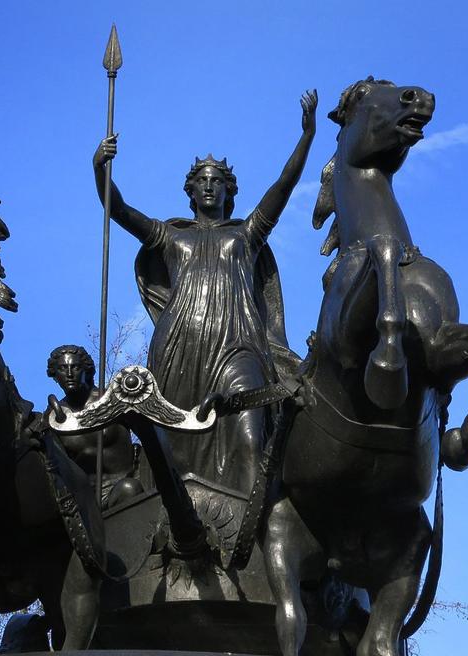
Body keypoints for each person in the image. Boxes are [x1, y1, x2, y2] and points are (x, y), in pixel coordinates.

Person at [92, 91, 317, 495]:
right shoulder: (170, 235)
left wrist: (307, 135)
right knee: (174, 451)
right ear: (190, 192)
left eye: (217, 182)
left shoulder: (247, 234)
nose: (209, 187)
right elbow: (118, 210)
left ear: (230, 191)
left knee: (250, 438)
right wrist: (100, 170)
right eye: (202, 182)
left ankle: (253, 538)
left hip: (238, 344)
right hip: (180, 346)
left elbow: (284, 185)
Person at [46, 345, 143, 508]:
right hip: (87, 505)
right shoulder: (55, 419)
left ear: (87, 370)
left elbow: (149, 432)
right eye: (62, 369)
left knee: (128, 489)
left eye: (75, 367)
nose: (69, 374)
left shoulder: (114, 399)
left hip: (126, 486)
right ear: (55, 375)